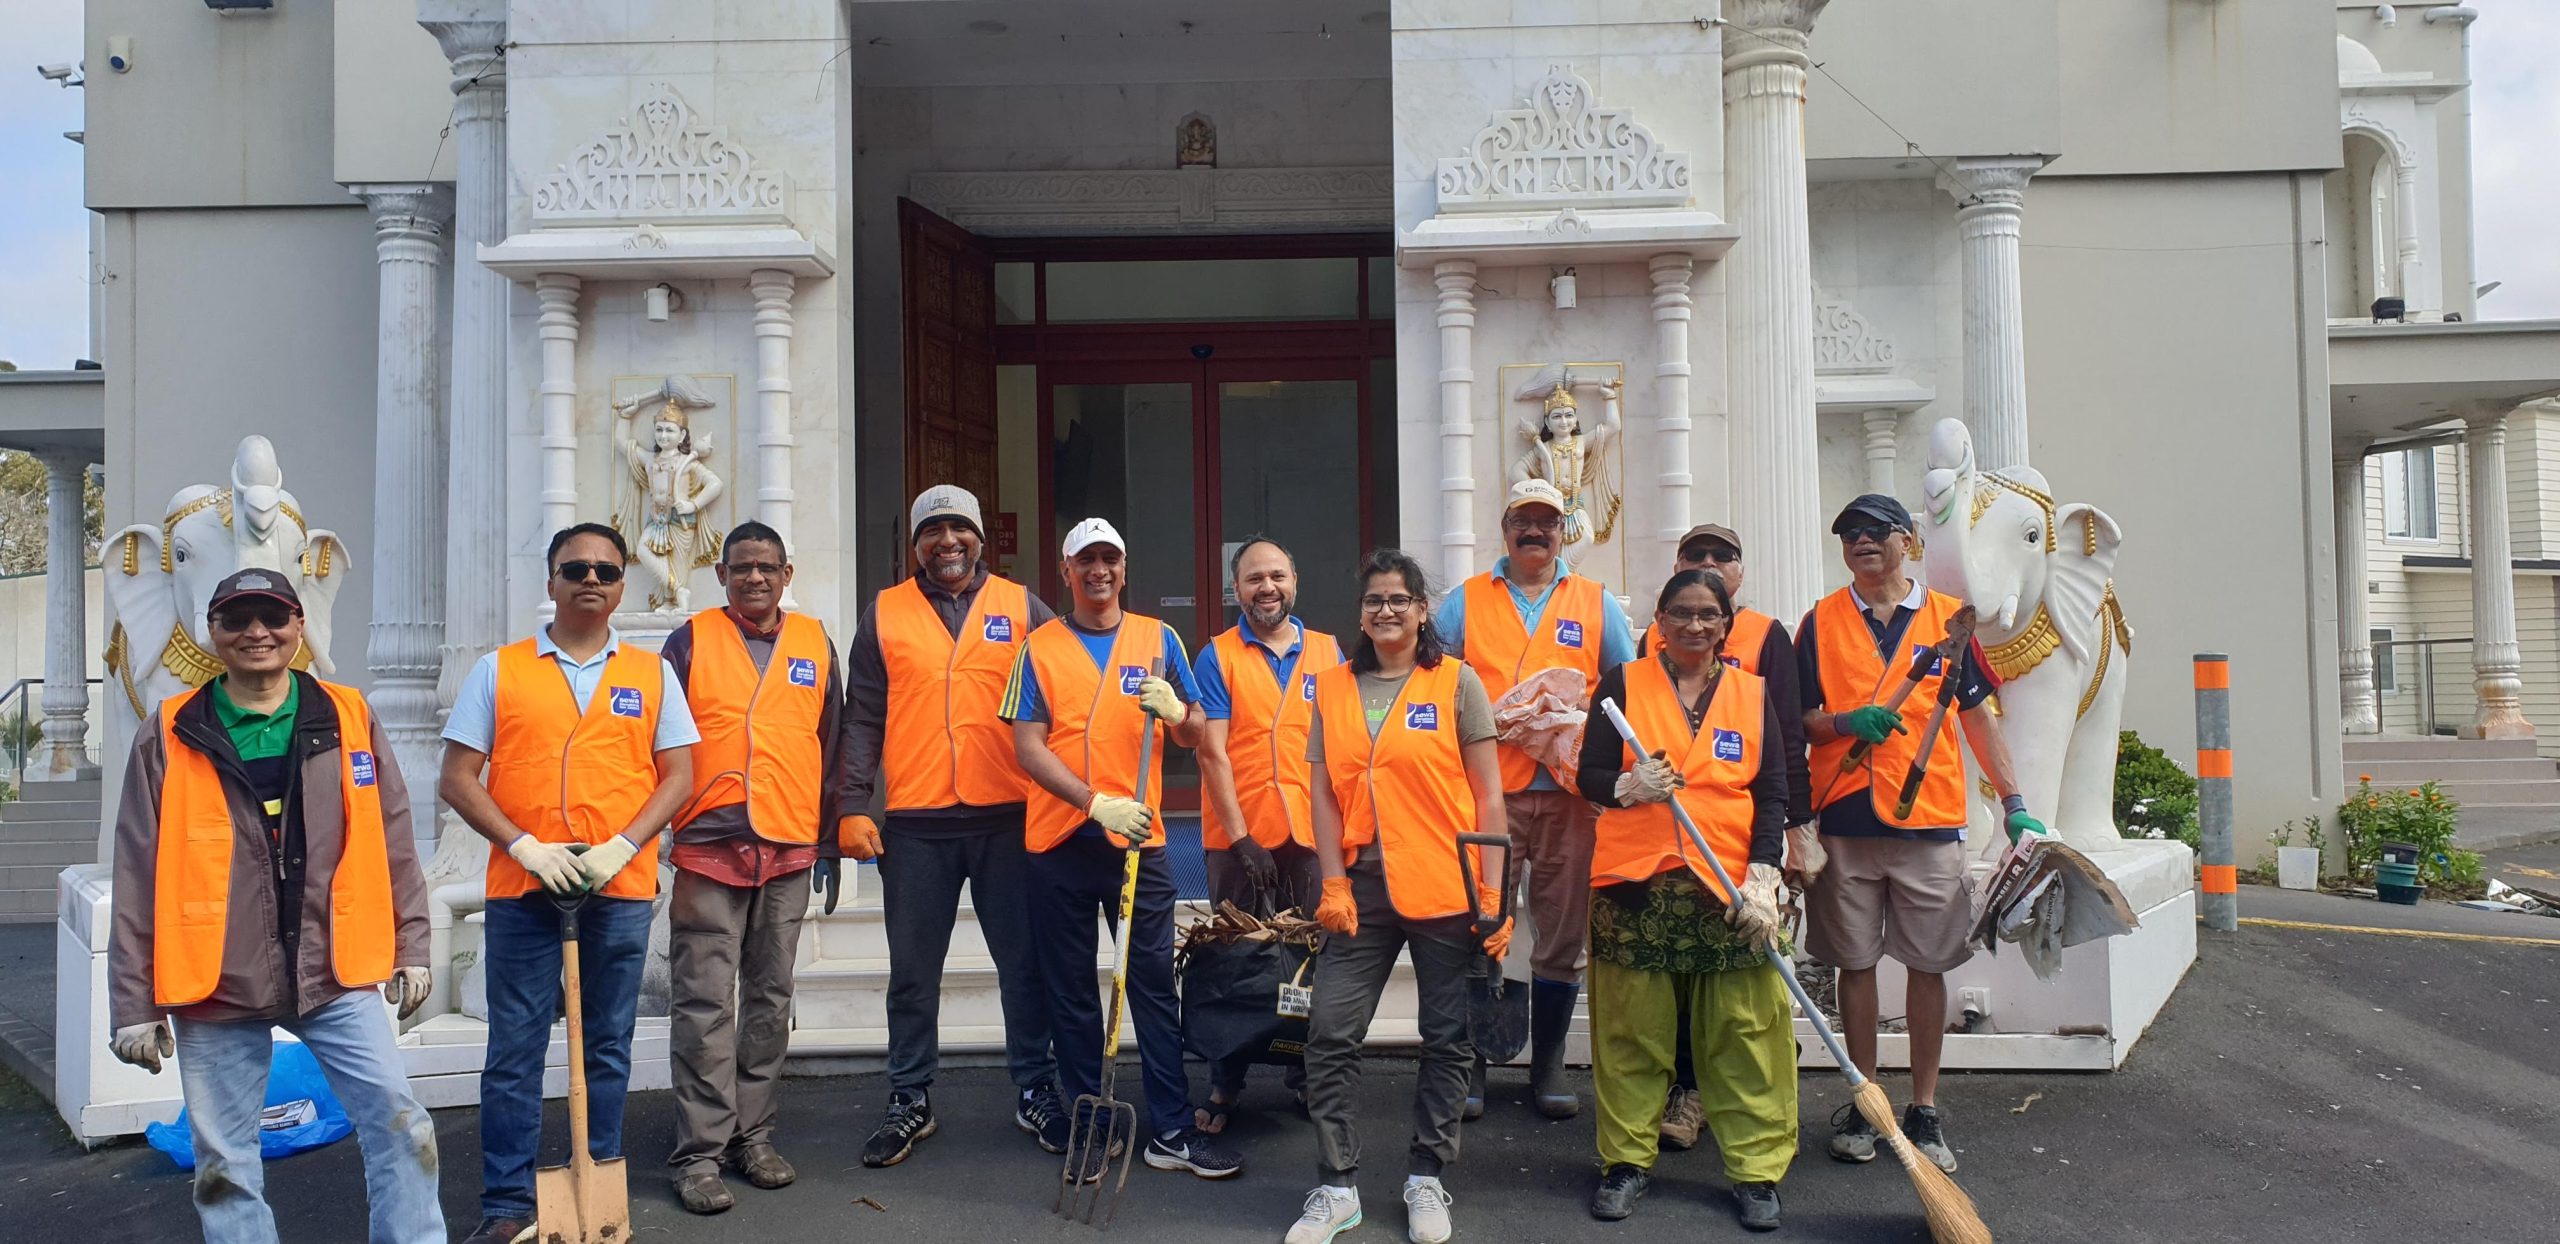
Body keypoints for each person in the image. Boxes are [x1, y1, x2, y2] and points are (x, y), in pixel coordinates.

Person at [107, 569, 442, 1244]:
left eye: (273, 617)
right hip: (217, 983)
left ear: (298, 627)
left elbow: (392, 838)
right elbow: (137, 868)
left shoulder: (349, 716)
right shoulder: (170, 733)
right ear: (214, 632)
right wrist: (133, 1004)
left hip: (337, 970)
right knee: (224, 1163)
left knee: (403, 1125)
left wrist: (411, 945)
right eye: (238, 619)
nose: (256, 633)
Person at [441, 523, 700, 1244]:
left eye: (607, 571)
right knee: (515, 1046)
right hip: (524, 888)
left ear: (623, 586)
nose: (592, 580)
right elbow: (457, 779)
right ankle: (507, 1203)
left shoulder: (651, 674)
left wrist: (625, 844)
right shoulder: (501, 669)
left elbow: (680, 774)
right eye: (576, 568)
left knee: (609, 1043)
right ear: (550, 581)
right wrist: (523, 844)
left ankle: (596, 1177)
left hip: (616, 887)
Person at [1797, 494, 2043, 1176]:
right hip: (1844, 814)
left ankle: (1925, 1106)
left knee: (1929, 964)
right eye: (1849, 533)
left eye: (1876, 532)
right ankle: (1865, 1098)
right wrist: (1849, 722)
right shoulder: (1818, 622)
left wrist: (2016, 800)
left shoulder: (1947, 623)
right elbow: (1803, 720)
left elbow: (1979, 718)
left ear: (1908, 540)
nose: (1862, 542)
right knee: (1855, 962)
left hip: (1929, 819)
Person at [1002, 517, 1242, 1181]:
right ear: (1067, 570)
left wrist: (1176, 712)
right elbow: (1026, 746)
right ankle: (1091, 1124)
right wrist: (1091, 801)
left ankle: (1169, 1128)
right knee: (1073, 993)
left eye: (1110, 560)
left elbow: (1196, 735)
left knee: (1152, 990)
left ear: (1124, 570)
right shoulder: (1039, 648)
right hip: (1060, 842)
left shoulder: (1160, 640)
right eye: (1087, 561)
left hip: (1141, 848)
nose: (1099, 571)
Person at [1287, 549, 1508, 1244]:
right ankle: (1336, 1185)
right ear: (1361, 612)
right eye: (1374, 600)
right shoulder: (1333, 687)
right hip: (1363, 888)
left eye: (1399, 600)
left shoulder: (1456, 682)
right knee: (1329, 1032)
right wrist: (1330, 880)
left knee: (1447, 1038)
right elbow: (1322, 792)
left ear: (1421, 611)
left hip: (1447, 883)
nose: (1386, 610)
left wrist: (1495, 897)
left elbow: (1489, 794)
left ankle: (1427, 1178)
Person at [839, 485, 1063, 1166]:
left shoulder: (1024, 607)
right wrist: (852, 803)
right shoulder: (885, 613)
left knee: (1024, 967)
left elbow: (1069, 693)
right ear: (915, 546)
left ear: (980, 539)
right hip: (916, 822)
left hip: (1010, 819)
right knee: (912, 972)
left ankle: (1036, 1088)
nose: (947, 541)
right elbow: (863, 717)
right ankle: (910, 1097)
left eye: (959, 527)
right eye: (932, 530)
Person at [1577, 569, 1797, 1231]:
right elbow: (1587, 773)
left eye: (1708, 614)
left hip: (1727, 889)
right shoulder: (1622, 685)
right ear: (1659, 621)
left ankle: (1756, 1172)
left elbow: (1772, 791)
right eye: (1680, 614)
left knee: (1745, 1034)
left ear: (1726, 623)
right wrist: (1628, 784)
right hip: (1634, 887)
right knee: (1630, 1036)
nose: (1694, 626)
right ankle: (1625, 1162)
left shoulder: (1754, 695)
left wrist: (1765, 875)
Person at [1433, 476, 1636, 1119]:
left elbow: (1625, 688)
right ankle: (1470, 1069)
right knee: (1480, 920)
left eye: (1547, 521)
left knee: (1562, 932)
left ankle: (1545, 1067)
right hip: (1485, 794)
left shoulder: (1594, 601)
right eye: (1523, 518)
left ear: (1562, 530)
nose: (1535, 530)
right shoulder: (1463, 602)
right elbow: (1431, 685)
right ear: (1504, 527)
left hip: (1569, 796)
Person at [656, 521, 840, 1212]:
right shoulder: (689, 641)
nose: (755, 578)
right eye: (741, 568)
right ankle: (699, 1153)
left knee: (769, 999)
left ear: (787, 575)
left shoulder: (815, 643)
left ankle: (752, 1135)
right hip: (710, 842)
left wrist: (828, 842)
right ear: (722, 575)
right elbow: (658, 744)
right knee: (704, 1003)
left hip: (789, 845)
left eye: (767, 567)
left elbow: (833, 741)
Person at [1636, 523, 1812, 1153]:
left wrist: (1792, 834)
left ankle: (1742, 1099)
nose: (1709, 563)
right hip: (1669, 847)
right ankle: (1686, 1090)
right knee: (1684, 977)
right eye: (1695, 555)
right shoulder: (1646, 648)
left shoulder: (1767, 638)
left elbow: (1785, 742)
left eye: (1723, 556)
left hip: (1743, 847)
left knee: (1748, 976)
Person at [1190, 535, 1342, 1131]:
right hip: (1239, 833)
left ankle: (1302, 1072)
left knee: (1308, 959)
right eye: (1254, 578)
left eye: (1276, 575)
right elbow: (1213, 754)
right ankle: (1226, 1079)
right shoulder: (1217, 655)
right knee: (1233, 960)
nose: (1266, 587)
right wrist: (1241, 838)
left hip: (1312, 833)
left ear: (1295, 581)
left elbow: (1344, 748)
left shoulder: (1330, 654)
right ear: (1237, 589)